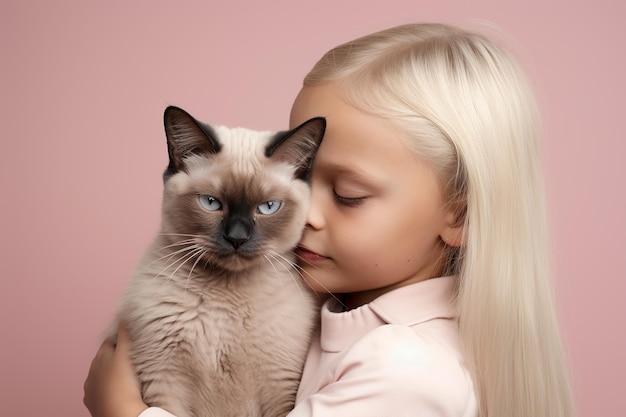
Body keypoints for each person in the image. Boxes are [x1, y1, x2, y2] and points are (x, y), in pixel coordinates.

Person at [84, 23, 575, 417]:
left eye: (347, 194)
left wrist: (125, 412)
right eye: (304, 179)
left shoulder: (405, 372)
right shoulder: (330, 308)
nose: (307, 214)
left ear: (460, 215)